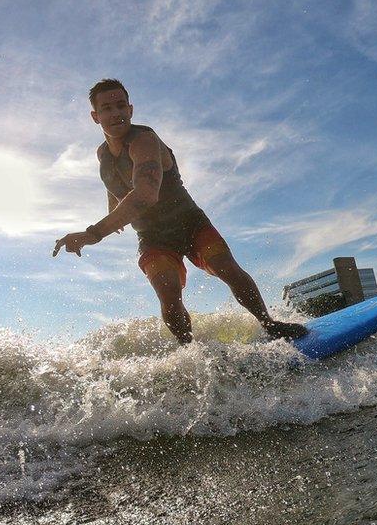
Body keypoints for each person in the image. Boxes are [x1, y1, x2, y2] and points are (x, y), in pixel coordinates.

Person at [54, 79, 307, 344]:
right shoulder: (102, 154)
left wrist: (93, 234)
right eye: (106, 108)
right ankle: (192, 352)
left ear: (130, 109)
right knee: (168, 295)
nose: (115, 113)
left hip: (190, 223)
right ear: (96, 117)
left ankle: (270, 324)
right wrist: (113, 208)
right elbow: (115, 178)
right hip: (152, 237)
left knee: (226, 268)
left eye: (120, 106)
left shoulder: (144, 141)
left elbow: (144, 194)